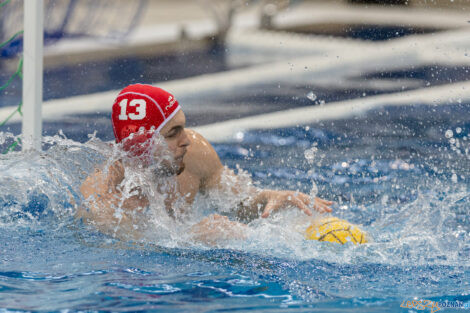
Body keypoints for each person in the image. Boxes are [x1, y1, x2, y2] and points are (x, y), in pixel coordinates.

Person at [78, 84, 333, 244]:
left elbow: (237, 203)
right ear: (141, 144)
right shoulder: (102, 194)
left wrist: (269, 197)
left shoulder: (196, 153)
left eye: (183, 127)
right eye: (173, 133)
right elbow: (127, 252)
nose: (187, 140)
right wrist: (192, 240)